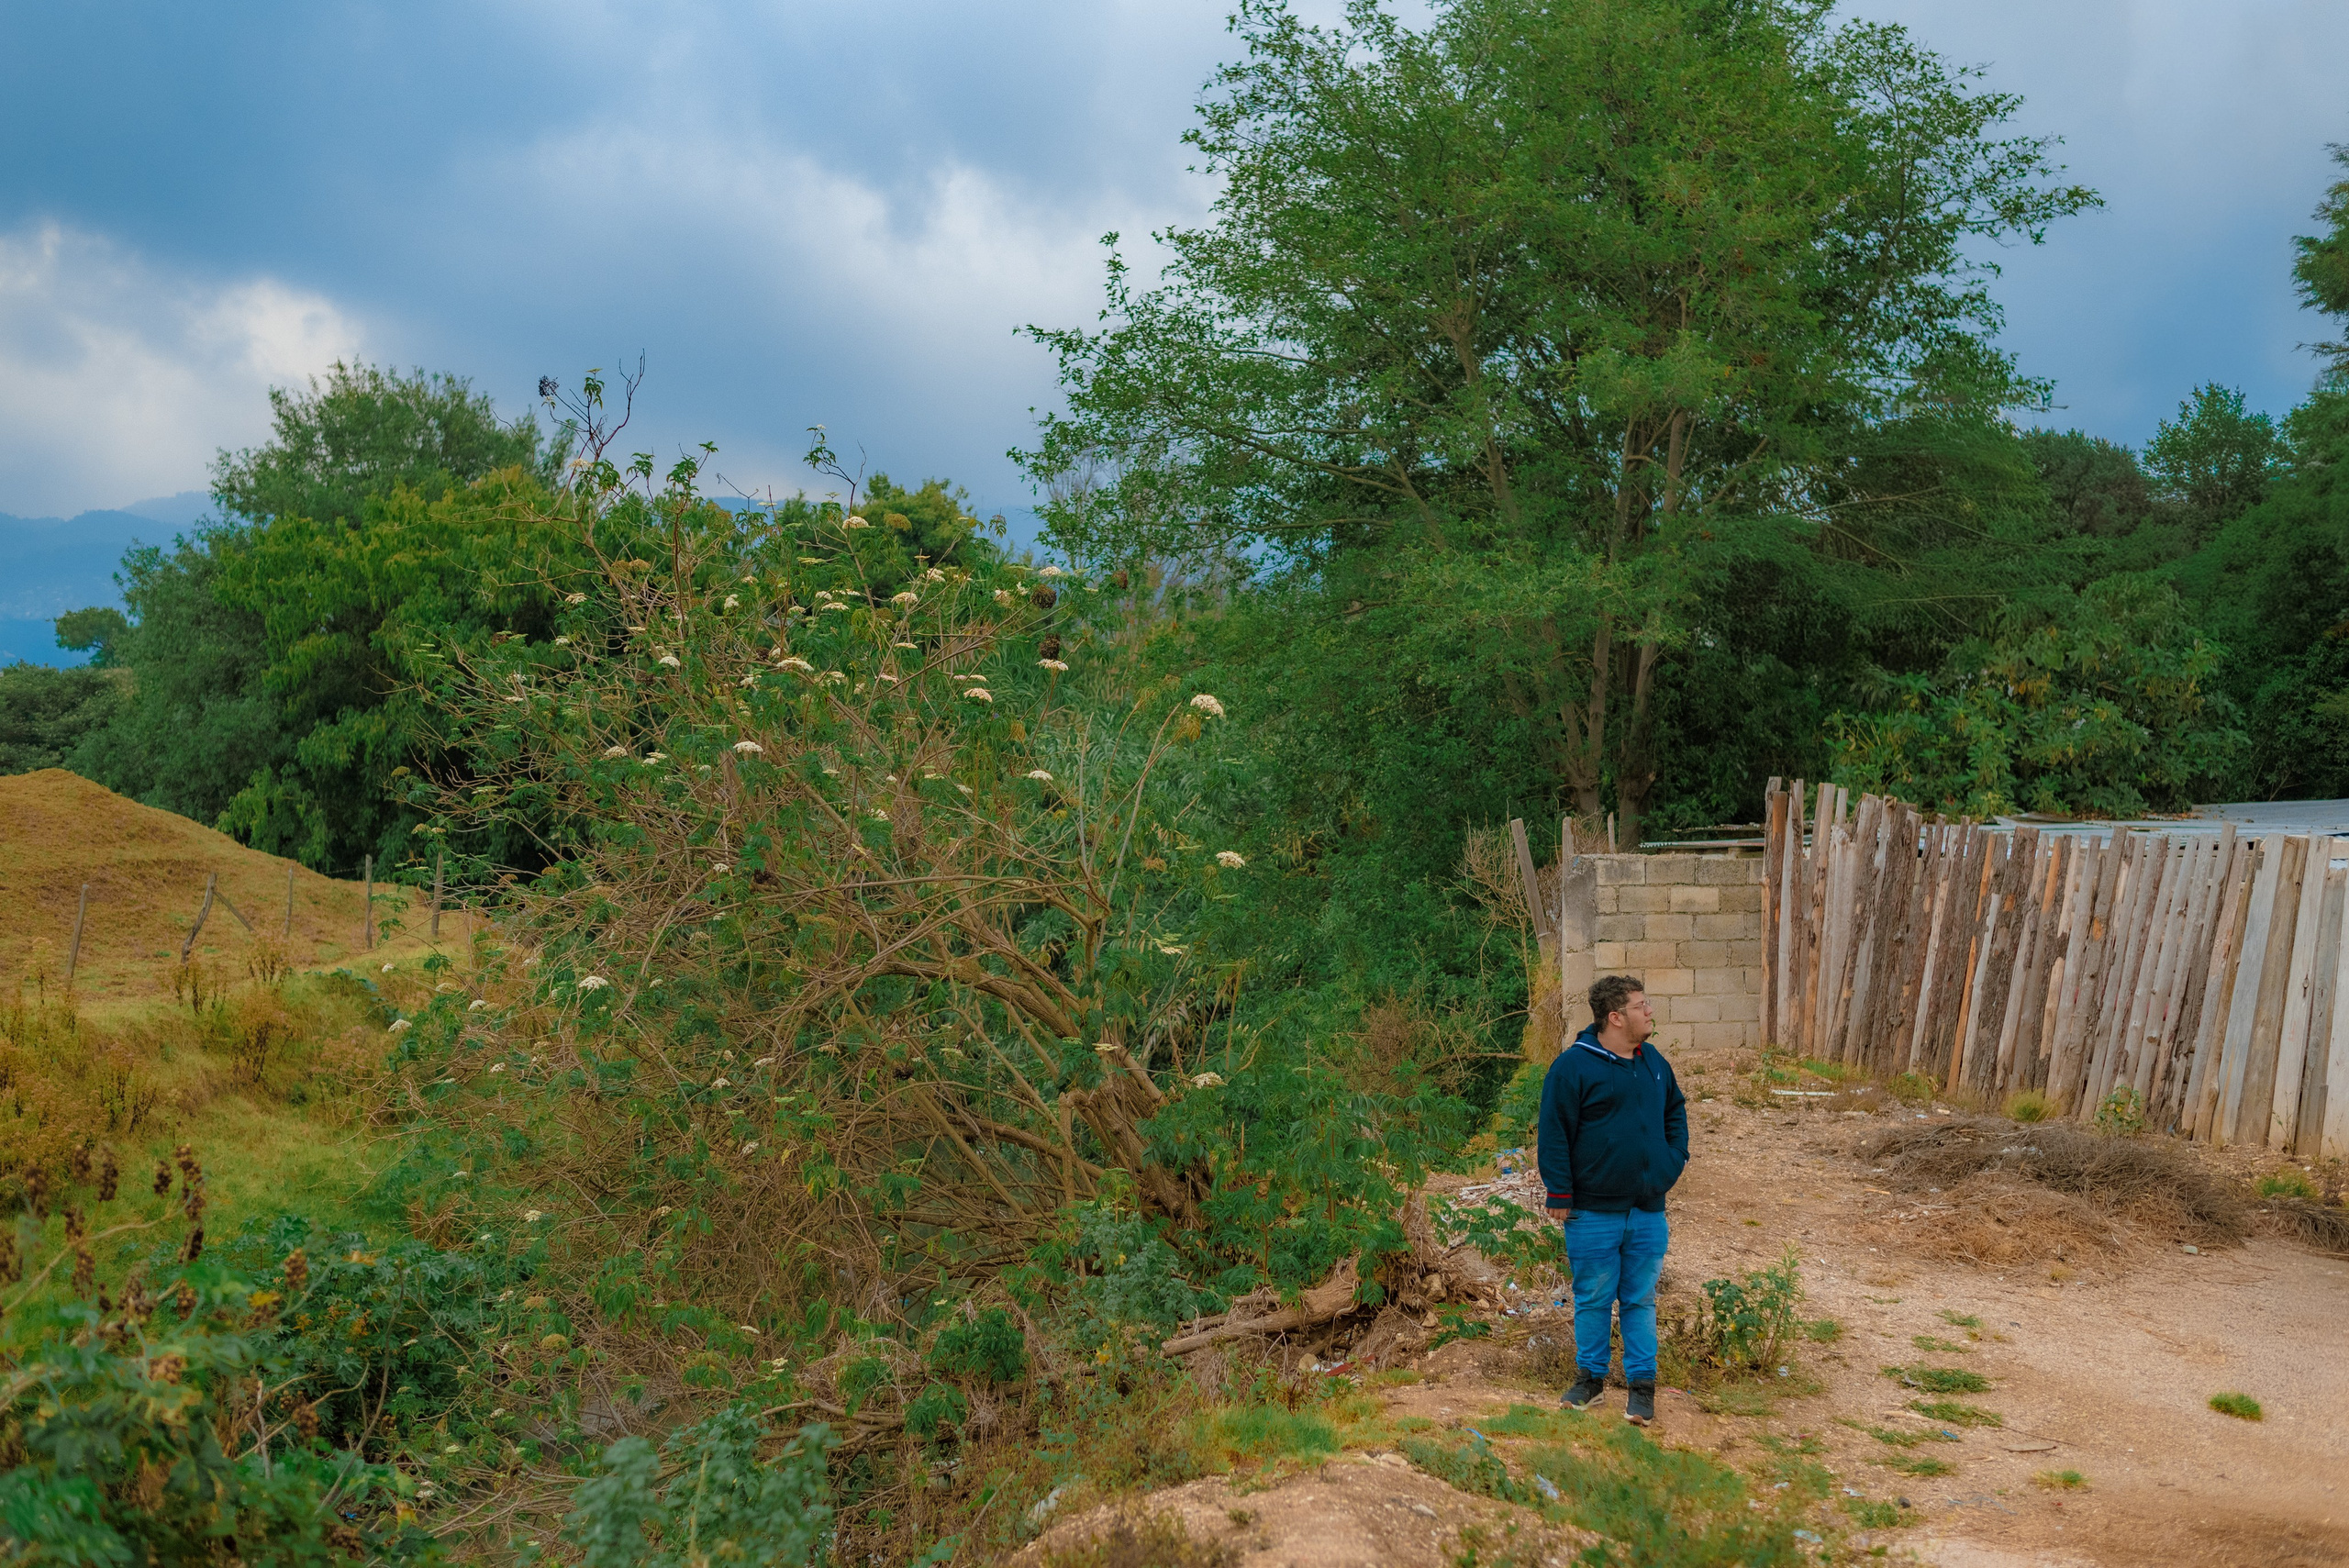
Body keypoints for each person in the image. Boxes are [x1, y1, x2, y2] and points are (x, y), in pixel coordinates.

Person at [1537, 973, 1688, 1427]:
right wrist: (1559, 1191)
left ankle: (1642, 1389)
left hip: (1646, 1210)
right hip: (1591, 1211)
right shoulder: (1574, 1067)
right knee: (1594, 1298)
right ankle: (1590, 1382)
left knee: (1640, 1299)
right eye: (1642, 1006)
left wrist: (1671, 1161)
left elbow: (1674, 1111)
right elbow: (1554, 1132)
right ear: (1616, 1017)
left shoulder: (1655, 1061)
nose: (1651, 1012)